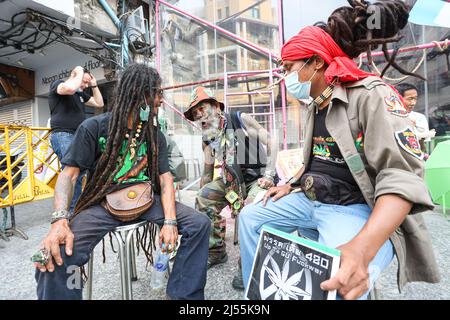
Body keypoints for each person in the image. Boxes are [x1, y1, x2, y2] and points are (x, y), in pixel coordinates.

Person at [239, 0, 440, 300]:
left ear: (316, 62)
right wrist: (291, 183)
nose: (286, 77)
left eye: (289, 68)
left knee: (338, 281)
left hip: (354, 208)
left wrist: (362, 248)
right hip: (311, 199)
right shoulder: (314, 103)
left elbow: (402, 177)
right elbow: (321, 158)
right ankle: (259, 294)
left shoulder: (370, 96)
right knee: (250, 216)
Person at [33, 64, 210, 300]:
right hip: (102, 203)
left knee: (199, 224)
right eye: (157, 92)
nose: (160, 99)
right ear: (139, 93)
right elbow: (69, 175)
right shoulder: (93, 127)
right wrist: (59, 220)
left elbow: (166, 180)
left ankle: (184, 297)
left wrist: (169, 221)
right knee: (57, 252)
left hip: (146, 200)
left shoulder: (154, 134)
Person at [183, 86, 278, 281]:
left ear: (217, 107)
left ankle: (249, 263)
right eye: (195, 113)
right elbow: (208, 172)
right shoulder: (208, 139)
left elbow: (272, 142)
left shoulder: (239, 119)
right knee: (204, 197)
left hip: (256, 179)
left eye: (202, 109)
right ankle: (216, 250)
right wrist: (200, 201)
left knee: (251, 209)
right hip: (230, 181)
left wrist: (269, 175)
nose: (199, 115)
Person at [48, 66, 104, 212]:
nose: (85, 86)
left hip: (78, 136)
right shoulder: (59, 85)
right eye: (84, 82)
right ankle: (69, 213)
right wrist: (79, 71)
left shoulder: (79, 94)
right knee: (72, 171)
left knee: (86, 170)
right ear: (74, 75)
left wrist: (94, 85)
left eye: (87, 83)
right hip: (62, 135)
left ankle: (77, 208)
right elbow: (70, 89)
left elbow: (99, 103)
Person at [395, 83, 435, 154]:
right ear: (398, 98)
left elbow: (423, 147)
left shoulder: (420, 117)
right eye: (410, 99)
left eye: (415, 99)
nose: (413, 103)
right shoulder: (390, 117)